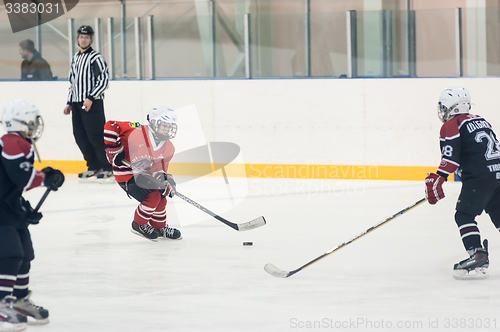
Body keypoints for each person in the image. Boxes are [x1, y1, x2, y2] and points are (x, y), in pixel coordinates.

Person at [0, 99, 64, 330]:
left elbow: (11, 184)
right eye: (30, 121)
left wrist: (24, 208)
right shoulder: (12, 141)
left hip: (9, 206)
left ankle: (18, 300)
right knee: (11, 254)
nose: (34, 126)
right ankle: (2, 304)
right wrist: (44, 177)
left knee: (25, 253)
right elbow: (21, 177)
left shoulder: (18, 142)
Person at [425, 86, 500, 280]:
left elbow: (450, 159)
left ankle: (477, 254)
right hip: (498, 173)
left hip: (479, 178)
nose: (442, 111)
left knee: (464, 215)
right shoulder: (481, 120)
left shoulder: (451, 125)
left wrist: (439, 178)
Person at [103, 105, 182, 241]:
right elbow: (111, 125)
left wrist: (167, 180)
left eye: (169, 126)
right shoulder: (136, 130)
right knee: (154, 195)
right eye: (164, 125)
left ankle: (159, 227)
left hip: (142, 175)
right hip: (125, 174)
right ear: (152, 122)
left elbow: (158, 169)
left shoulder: (168, 147)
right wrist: (113, 150)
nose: (167, 129)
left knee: (161, 195)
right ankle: (138, 224)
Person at [63, 25, 113, 183]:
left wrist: (91, 97)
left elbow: (103, 80)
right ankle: (93, 165)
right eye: (81, 37)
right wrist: (69, 102)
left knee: (96, 136)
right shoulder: (76, 57)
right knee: (80, 136)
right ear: (77, 39)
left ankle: (108, 167)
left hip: (92, 103)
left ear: (91, 39)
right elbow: (73, 82)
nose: (83, 39)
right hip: (77, 103)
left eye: (86, 37)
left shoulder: (95, 58)